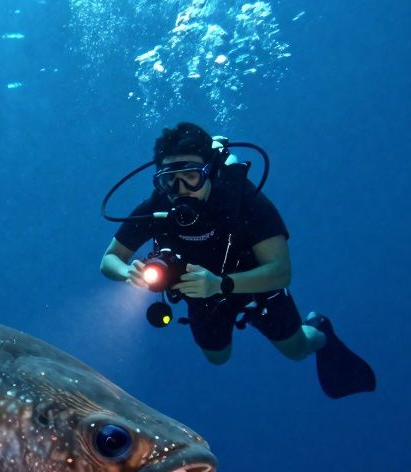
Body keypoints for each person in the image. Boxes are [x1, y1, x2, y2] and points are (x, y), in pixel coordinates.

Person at [99, 122, 374, 398]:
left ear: (209, 171)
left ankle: (321, 331)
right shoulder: (156, 209)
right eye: (170, 179)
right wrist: (128, 273)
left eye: (191, 177)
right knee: (217, 357)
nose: (181, 189)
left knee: (296, 350)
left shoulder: (245, 202)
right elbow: (110, 259)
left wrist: (220, 284)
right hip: (202, 295)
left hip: (258, 288)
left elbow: (281, 271)